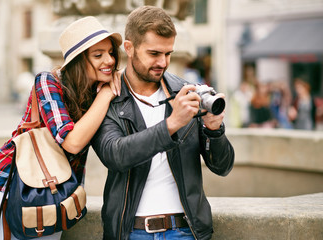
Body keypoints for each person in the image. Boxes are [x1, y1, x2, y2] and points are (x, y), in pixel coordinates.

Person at [91, 6, 234, 240]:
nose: (163, 62)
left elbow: (223, 167)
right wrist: (172, 124)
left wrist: (214, 129)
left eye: (168, 54)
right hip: (130, 233)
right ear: (129, 48)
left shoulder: (186, 93)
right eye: (154, 53)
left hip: (186, 231)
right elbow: (115, 155)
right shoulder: (107, 98)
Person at [0, 16, 122, 240]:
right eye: (98, 54)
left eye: (111, 52)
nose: (109, 60)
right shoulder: (48, 81)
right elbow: (72, 141)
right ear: (78, 60)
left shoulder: (97, 91)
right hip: (11, 187)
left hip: (58, 192)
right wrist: (105, 96)